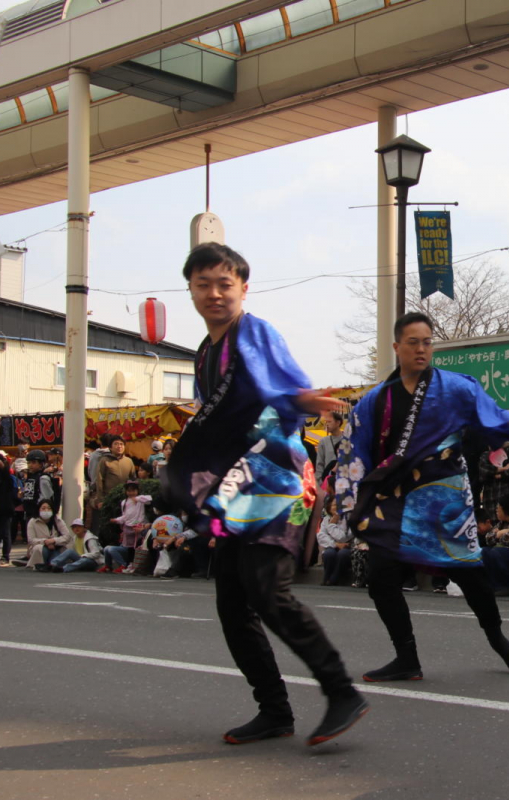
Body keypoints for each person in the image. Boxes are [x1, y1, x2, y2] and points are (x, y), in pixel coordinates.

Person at [163, 242, 367, 748]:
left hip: (279, 481)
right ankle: (274, 710)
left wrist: (303, 399)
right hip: (240, 490)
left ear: (243, 288)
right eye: (203, 284)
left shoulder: (254, 332)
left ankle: (341, 691)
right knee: (233, 603)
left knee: (266, 590)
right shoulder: (206, 351)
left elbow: (285, 390)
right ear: (189, 289)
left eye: (224, 284)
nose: (214, 293)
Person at [335, 311, 509, 682]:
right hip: (394, 503)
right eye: (413, 342)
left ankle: (498, 638)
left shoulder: (456, 388)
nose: (421, 349)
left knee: (471, 575)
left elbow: (492, 417)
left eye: (427, 342)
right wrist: (350, 503)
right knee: (380, 577)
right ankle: (406, 657)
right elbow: (354, 454)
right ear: (397, 347)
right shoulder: (374, 402)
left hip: (445, 500)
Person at [95, 435, 137, 543]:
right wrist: (100, 500)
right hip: (109, 500)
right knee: (109, 526)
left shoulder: (129, 461)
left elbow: (134, 480)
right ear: (111, 447)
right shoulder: (104, 461)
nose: (119, 446)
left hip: (126, 501)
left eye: (121, 444)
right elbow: (99, 481)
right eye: (116, 444)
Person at [103, 480, 152, 573]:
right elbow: (125, 516)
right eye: (129, 491)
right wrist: (117, 520)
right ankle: (129, 564)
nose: (131, 493)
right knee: (129, 547)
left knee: (137, 546)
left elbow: (149, 500)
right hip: (128, 527)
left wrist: (138, 498)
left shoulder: (140, 500)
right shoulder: (124, 502)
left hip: (138, 525)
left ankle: (136, 564)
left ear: (137, 491)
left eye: (133, 490)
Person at [22, 499, 72, 571]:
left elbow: (67, 536)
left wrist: (54, 541)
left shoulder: (58, 520)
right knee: (39, 548)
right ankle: (39, 564)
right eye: (43, 508)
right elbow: (31, 540)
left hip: (56, 548)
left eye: (49, 508)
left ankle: (51, 564)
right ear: (39, 509)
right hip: (41, 548)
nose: (46, 510)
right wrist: (45, 542)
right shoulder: (33, 521)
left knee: (55, 561)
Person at [479, 439, 509, 519]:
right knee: (493, 529)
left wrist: (497, 475)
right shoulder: (485, 455)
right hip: (491, 501)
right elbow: (483, 471)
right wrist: (502, 469)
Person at [317, 497, 353, 586]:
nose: (336, 508)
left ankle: (334, 578)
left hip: (348, 547)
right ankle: (326, 577)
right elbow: (321, 536)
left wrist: (332, 525)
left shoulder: (349, 518)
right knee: (329, 554)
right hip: (334, 546)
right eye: (333, 505)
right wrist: (335, 544)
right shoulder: (326, 519)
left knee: (343, 554)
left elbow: (342, 537)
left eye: (338, 505)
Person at [19, 450, 55, 522]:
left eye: (33, 462)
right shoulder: (30, 477)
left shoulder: (43, 478)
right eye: (29, 463)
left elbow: (45, 497)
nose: (30, 465)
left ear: (41, 464)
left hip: (38, 515)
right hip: (28, 512)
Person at [315, 411, 345, 488]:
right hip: (328, 481)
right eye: (326, 422)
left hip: (344, 479)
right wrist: (320, 481)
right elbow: (319, 463)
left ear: (338, 423)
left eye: (329, 422)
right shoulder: (323, 441)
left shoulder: (347, 438)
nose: (327, 424)